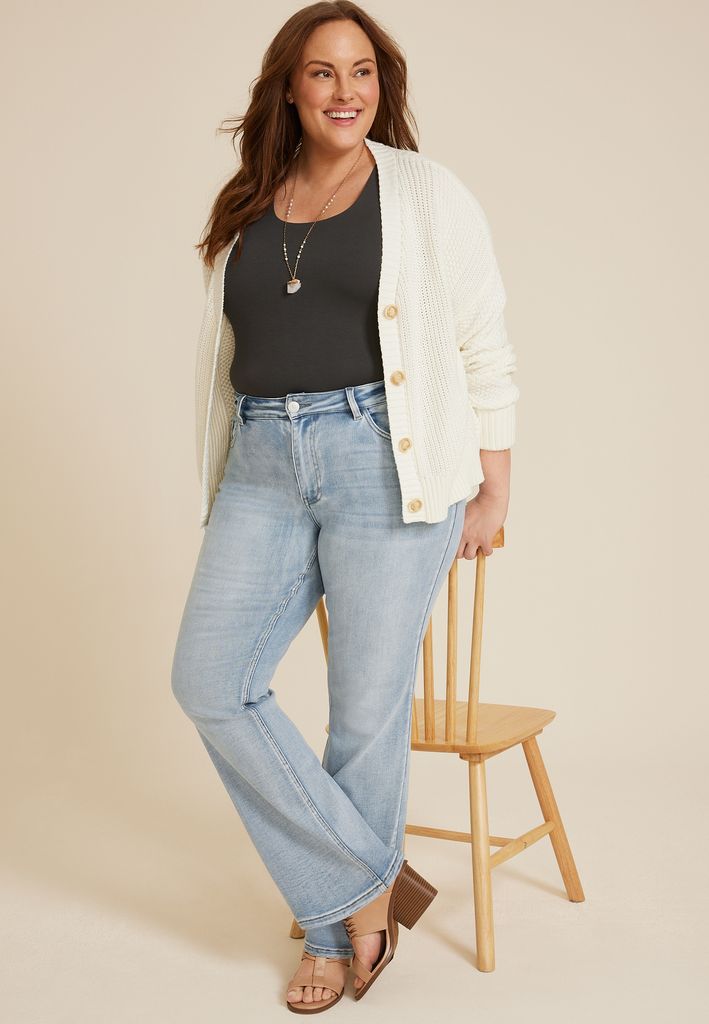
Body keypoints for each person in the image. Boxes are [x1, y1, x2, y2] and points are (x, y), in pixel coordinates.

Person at [171, 1, 519, 1012]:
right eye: (322, 72)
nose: (344, 91)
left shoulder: (422, 190)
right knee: (209, 680)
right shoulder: (248, 199)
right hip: (262, 461)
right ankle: (371, 882)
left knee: (364, 714)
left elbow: (483, 339)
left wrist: (493, 481)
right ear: (289, 87)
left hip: (382, 457)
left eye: (361, 71)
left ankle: (337, 939)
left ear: (381, 84)